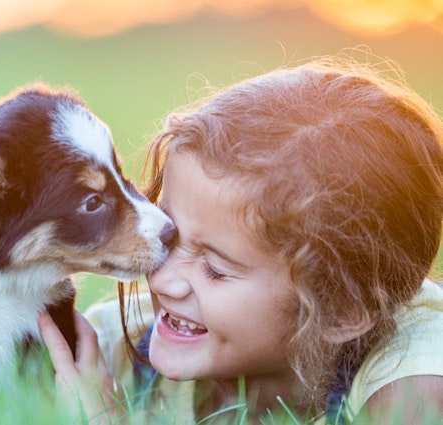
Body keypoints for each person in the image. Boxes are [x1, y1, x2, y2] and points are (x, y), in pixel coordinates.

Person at [38, 56, 443, 424]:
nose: (162, 281)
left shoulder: (418, 370)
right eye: (169, 234)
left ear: (341, 309)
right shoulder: (105, 357)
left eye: (214, 269)